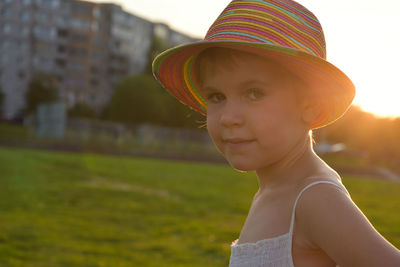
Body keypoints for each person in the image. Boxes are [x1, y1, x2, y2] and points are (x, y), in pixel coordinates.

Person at [152, 0, 400, 266]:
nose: (228, 118)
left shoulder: (315, 200)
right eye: (216, 96)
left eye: (254, 93)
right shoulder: (272, 191)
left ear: (310, 105)